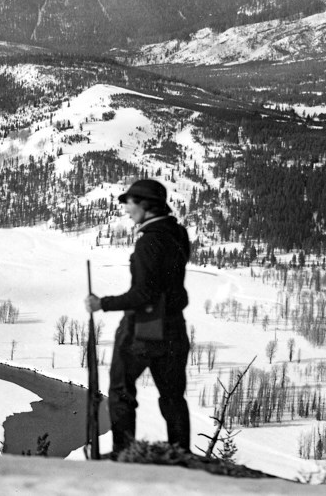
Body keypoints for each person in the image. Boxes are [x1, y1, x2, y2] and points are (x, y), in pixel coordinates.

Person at [85, 179, 192, 457]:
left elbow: (143, 294)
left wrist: (102, 303)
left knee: (121, 391)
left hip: (143, 328)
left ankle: (124, 452)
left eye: (130, 203)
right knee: (172, 397)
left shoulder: (148, 242)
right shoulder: (177, 234)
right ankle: (181, 454)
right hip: (174, 327)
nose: (127, 210)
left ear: (145, 205)